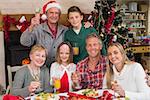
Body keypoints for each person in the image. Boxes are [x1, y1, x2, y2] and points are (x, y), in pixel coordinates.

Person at [20, 1, 68, 65]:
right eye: (51, 13)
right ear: (46, 14)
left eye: (56, 13)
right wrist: (31, 26)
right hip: (42, 67)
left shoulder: (65, 30)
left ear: (59, 15)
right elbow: (24, 42)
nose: (54, 15)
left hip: (59, 68)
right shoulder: (38, 28)